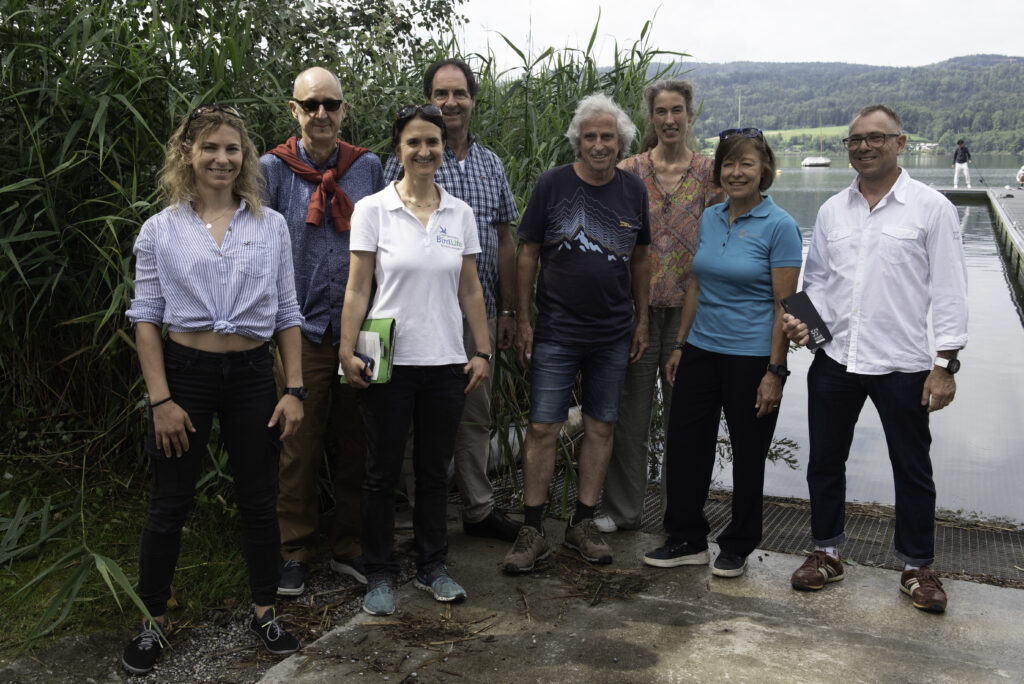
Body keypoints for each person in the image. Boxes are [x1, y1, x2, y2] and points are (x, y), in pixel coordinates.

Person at [122, 103, 305, 674]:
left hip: (253, 376)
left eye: (232, 149)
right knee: (169, 502)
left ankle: (265, 609)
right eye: (210, 148)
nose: (222, 159)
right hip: (185, 376)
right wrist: (161, 400)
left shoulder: (269, 224)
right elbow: (146, 317)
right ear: (187, 155)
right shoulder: (160, 229)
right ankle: (151, 618)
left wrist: (293, 388)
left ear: (244, 158)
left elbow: (287, 313)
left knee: (258, 499)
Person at [784, 105, 968, 613]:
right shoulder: (830, 211)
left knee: (912, 468)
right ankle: (826, 552)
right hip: (836, 359)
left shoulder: (931, 208)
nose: (862, 147)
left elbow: (951, 291)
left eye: (874, 138)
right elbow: (815, 281)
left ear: (899, 143)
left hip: (904, 364)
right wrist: (806, 326)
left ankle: (916, 565)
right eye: (854, 140)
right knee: (824, 461)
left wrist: (945, 364)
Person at [340, 104, 492, 616]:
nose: (424, 150)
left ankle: (433, 567)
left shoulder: (461, 213)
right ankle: (380, 573)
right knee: (381, 474)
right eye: (413, 142)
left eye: (433, 142)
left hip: (446, 362)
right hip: (388, 364)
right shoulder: (373, 210)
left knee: (433, 472)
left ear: (444, 148)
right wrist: (345, 349)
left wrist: (483, 351)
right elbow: (359, 288)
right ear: (398, 150)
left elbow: (471, 290)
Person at [641, 128, 801, 578]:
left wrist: (775, 371)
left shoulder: (781, 226)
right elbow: (696, 283)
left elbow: (784, 307)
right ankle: (687, 538)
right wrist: (679, 344)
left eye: (746, 164)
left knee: (749, 453)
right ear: (718, 172)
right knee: (687, 446)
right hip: (700, 351)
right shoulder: (711, 217)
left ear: (763, 170)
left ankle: (738, 543)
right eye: (728, 164)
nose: (736, 172)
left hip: (751, 357)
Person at [503, 93, 651, 573]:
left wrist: (642, 320)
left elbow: (642, 258)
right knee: (543, 426)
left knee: (600, 426)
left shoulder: (633, 189)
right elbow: (527, 253)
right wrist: (524, 320)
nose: (599, 144)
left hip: (613, 332)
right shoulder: (552, 185)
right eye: (590, 136)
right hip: (556, 330)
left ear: (620, 141)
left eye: (608, 136)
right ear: (578, 141)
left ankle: (582, 523)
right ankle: (533, 529)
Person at [383, 58, 521, 543]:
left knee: (475, 414)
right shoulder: (401, 162)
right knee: (414, 421)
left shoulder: (490, 164)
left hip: (473, 315)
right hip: (417, 315)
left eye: (459, 93)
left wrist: (508, 310)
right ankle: (418, 516)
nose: (450, 103)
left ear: (473, 99)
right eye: (440, 94)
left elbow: (506, 240)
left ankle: (480, 509)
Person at [260, 66, 385, 596]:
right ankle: (294, 548)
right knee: (299, 445)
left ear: (344, 109)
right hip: (301, 328)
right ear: (294, 111)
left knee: (361, 442)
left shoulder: (369, 167)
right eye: (311, 105)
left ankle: (350, 544)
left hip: (363, 327)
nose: (321, 115)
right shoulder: (272, 170)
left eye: (330, 104)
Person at [598, 79, 717, 534]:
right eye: (661, 111)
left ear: (690, 115)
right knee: (630, 417)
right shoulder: (629, 170)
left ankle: (679, 513)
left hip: (694, 314)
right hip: (636, 313)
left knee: (685, 420)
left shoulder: (709, 172)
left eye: (678, 111)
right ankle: (624, 511)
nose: (670, 119)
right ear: (652, 117)